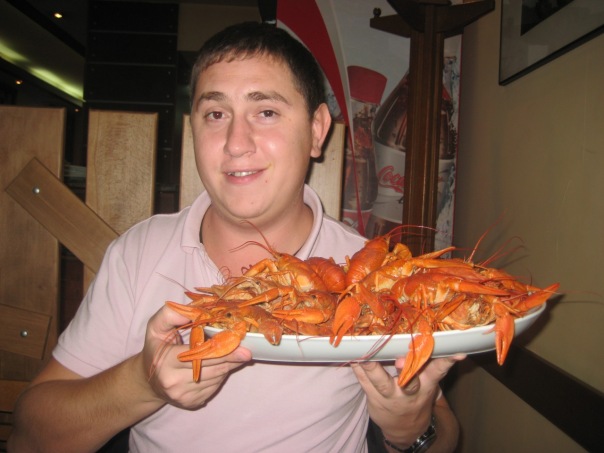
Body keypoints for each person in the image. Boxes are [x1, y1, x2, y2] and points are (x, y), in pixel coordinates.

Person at [9, 22, 465, 453]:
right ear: (193, 128)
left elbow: (443, 433)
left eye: (266, 112)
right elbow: (27, 439)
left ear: (316, 131)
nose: (235, 142)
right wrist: (141, 383)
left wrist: (410, 429)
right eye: (215, 114)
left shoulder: (373, 273)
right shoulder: (138, 252)